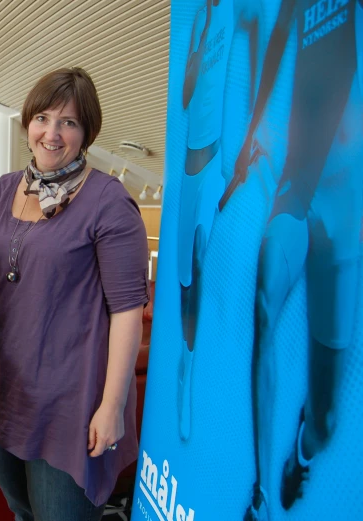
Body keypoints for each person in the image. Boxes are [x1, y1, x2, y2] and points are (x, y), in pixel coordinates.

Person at [0, 67, 149, 519]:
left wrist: (112, 406)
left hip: (70, 404)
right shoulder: (0, 193)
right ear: (28, 122)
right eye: (43, 118)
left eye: (68, 122)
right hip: (4, 392)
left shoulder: (108, 202)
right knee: (20, 509)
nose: (52, 133)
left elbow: (127, 311)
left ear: (87, 132)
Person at [219, 1, 363, 519]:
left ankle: (304, 446)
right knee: (262, 311)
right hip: (296, 190)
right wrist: (246, 143)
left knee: (324, 425)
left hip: (347, 211)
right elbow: (279, 44)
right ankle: (259, 493)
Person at [177, 0, 263, 441]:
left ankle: (211, 392)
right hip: (190, 171)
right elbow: (187, 95)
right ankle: (187, 373)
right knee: (185, 282)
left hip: (219, 166)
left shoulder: (236, 13)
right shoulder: (196, 23)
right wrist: (194, 57)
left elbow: (256, 47)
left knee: (220, 282)